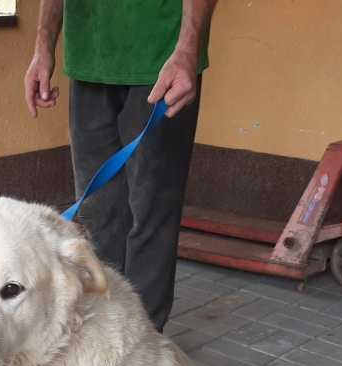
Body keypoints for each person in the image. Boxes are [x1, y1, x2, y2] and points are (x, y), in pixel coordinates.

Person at [25, 0, 217, 332]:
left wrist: (188, 47)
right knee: (98, 212)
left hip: (161, 58)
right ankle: (106, 330)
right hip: (90, 56)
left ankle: (144, 338)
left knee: (151, 211)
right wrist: (43, 46)